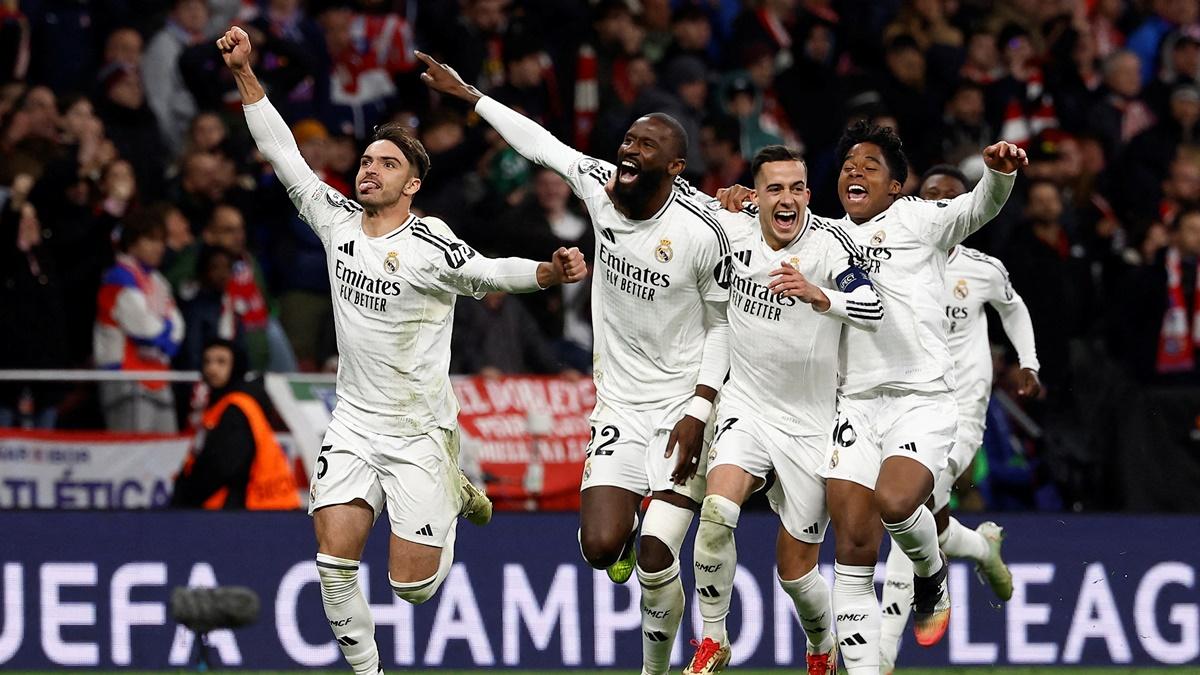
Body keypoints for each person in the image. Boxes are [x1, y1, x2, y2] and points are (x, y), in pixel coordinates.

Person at [217, 26, 585, 675]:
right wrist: (246, 72)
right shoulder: (334, 220)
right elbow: (282, 152)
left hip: (419, 431)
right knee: (332, 565)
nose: (368, 167)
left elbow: (488, 273)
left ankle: (450, 486)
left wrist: (548, 273)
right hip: (355, 423)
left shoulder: (432, 244)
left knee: (412, 588)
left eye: (386, 163)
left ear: (412, 184)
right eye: (366, 159)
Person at [420, 51, 731, 675]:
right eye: (628, 138)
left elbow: (723, 326)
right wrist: (471, 96)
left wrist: (700, 409)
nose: (629, 148)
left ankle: (661, 666)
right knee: (599, 547)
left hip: (684, 407)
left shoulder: (704, 228)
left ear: (674, 167)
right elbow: (540, 143)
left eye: (646, 145)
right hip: (618, 400)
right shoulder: (598, 187)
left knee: (653, 550)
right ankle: (629, 565)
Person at [719, 123, 1024, 674]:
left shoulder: (921, 220)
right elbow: (768, 219)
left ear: (895, 186)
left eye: (870, 165)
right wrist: (738, 202)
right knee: (854, 553)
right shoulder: (824, 235)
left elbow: (980, 205)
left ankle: (931, 575)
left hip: (921, 396)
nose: (854, 171)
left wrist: (999, 173)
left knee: (897, 501)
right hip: (854, 406)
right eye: (847, 165)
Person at [685, 145, 884, 675]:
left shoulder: (831, 247)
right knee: (716, 512)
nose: (787, 198)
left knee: (795, 573)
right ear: (757, 195)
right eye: (774, 188)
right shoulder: (733, 226)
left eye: (797, 188)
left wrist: (821, 297)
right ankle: (713, 639)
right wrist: (722, 198)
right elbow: (676, 200)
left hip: (812, 427)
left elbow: (873, 307)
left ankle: (822, 648)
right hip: (746, 407)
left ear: (808, 196)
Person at [878, 165, 1041, 674]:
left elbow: (1013, 310)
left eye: (953, 198)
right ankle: (981, 547)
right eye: (933, 196)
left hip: (961, 410)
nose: (942, 205)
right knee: (923, 519)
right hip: (901, 402)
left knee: (916, 505)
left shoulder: (982, 268)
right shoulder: (892, 263)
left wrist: (1028, 361)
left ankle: (881, 655)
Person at [171, 338, 300, 509]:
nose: (212, 368)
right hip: (261, 506)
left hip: (243, 508)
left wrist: (186, 496)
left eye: (221, 361)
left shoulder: (236, 408)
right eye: (207, 361)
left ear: (236, 365)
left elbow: (225, 466)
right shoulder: (223, 404)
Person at [94, 209, 185, 432]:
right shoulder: (118, 277)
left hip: (158, 374)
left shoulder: (158, 281)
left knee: (164, 452)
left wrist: (166, 336)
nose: (158, 247)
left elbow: (178, 325)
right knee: (131, 452)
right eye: (150, 240)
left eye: (162, 241)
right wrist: (164, 335)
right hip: (125, 376)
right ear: (132, 243)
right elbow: (144, 329)